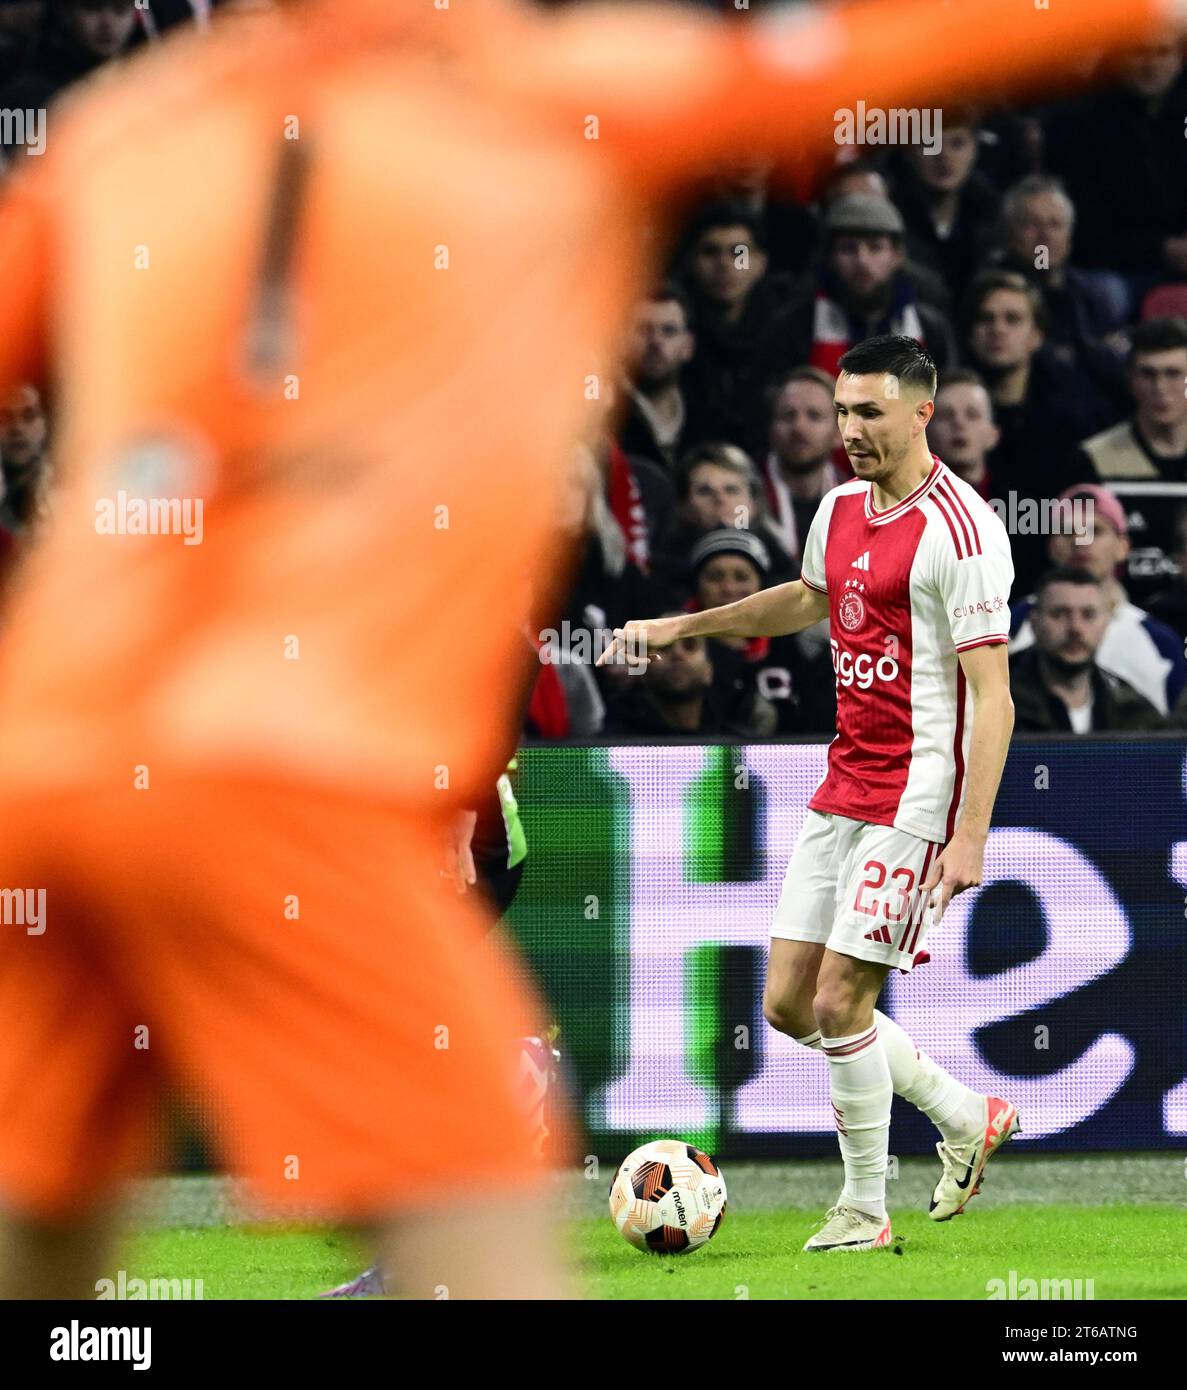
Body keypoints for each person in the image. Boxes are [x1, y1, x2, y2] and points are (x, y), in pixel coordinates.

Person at [0, 0, 1160, 1301]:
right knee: (492, 1242)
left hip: (37, 758)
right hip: (277, 764)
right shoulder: (550, 96)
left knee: (43, 1252)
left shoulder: (122, 126)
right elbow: (892, 45)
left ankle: (911, 1156)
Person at [601, 336, 1021, 1251]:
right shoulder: (835, 508)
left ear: (922, 412)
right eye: (840, 411)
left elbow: (993, 696)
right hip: (842, 782)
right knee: (790, 1008)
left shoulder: (961, 530)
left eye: (869, 413)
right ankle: (964, 1114)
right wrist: (683, 625)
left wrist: (971, 837)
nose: (850, 430)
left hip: (918, 793)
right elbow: (802, 600)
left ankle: (863, 1211)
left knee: (840, 1003)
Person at [1009, 483, 1187, 714]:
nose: (1080, 542)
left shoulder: (1159, 642)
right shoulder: (1009, 625)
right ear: (1052, 546)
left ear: (1123, 547)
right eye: (1068, 532)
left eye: (1096, 530)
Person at [1075, 316, 1187, 606]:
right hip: (1115, 618)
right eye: (1148, 374)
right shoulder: (1093, 459)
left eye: (1173, 374)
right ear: (1130, 380)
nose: (1160, 387)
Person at [685, 527, 836, 734]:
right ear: (697, 587)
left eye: (741, 577)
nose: (728, 587)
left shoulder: (792, 645)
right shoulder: (684, 649)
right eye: (715, 577)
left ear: (762, 586)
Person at [1010, 569, 1166, 732]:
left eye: (1088, 615)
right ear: (1034, 623)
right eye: (1059, 614)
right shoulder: (997, 701)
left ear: (1105, 625)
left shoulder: (1132, 710)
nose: (1075, 628)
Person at [616, 285, 710, 473]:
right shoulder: (604, 419)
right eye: (644, 330)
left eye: (668, 331)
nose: (656, 342)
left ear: (688, 346)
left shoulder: (710, 418)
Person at [760, 365, 847, 563]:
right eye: (788, 416)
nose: (799, 427)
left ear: (839, 433)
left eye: (814, 416)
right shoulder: (744, 499)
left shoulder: (863, 502)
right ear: (771, 430)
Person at [928, 368, 1002, 501]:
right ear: (926, 434)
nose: (959, 423)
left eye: (972, 415)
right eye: (945, 415)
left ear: (993, 435)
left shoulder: (1021, 509)